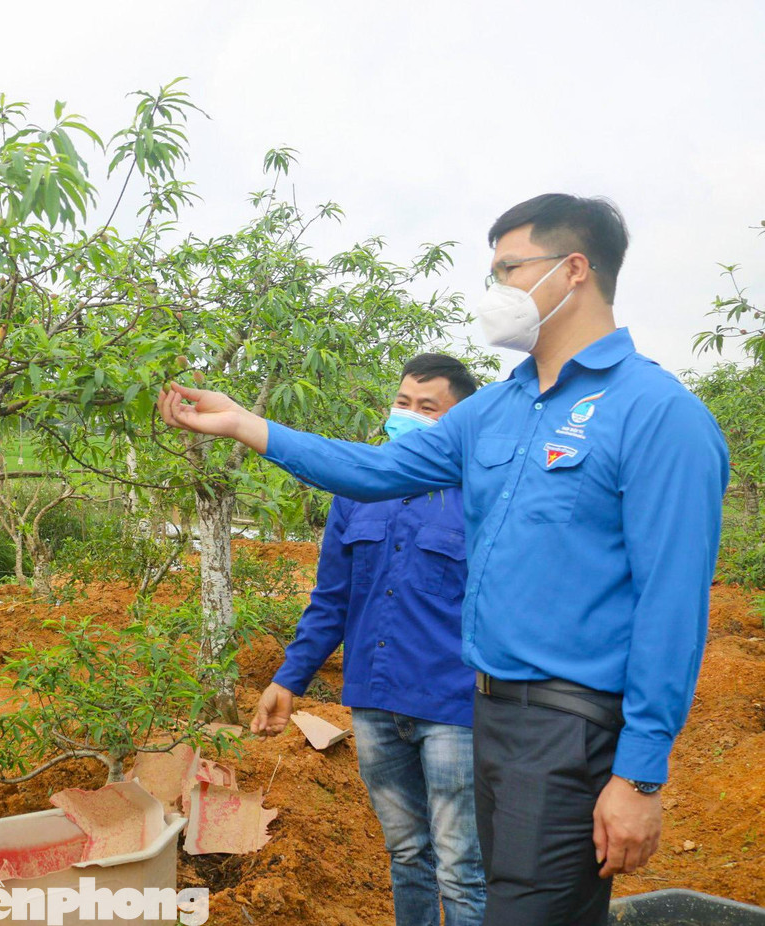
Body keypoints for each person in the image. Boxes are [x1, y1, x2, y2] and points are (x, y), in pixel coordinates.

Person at [161, 194, 729, 926]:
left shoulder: (658, 414)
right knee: (495, 897)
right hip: (489, 713)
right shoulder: (495, 410)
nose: (496, 290)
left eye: (509, 270)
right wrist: (247, 424)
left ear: (574, 270)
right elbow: (372, 470)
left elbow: (671, 606)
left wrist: (641, 775)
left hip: (572, 725)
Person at [254, 353, 485, 926]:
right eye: (403, 402)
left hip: (454, 707)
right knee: (406, 853)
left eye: (427, 407)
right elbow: (331, 598)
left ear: (460, 421)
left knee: (461, 867)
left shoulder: (481, 496)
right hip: (375, 702)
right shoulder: (356, 492)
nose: (409, 414)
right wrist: (289, 678)